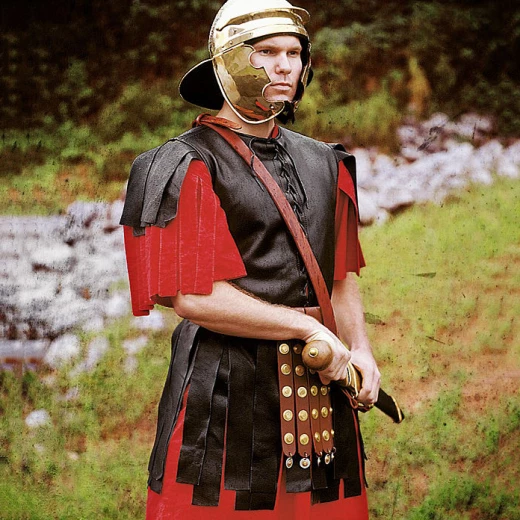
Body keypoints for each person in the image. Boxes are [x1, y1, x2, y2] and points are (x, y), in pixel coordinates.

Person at [120, 0, 381, 518]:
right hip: (223, 395)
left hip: (320, 388)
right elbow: (194, 298)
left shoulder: (325, 162)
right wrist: (307, 328)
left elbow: (339, 276)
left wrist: (361, 349)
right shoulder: (186, 162)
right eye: (266, 52)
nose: (284, 66)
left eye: (294, 53)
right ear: (228, 61)